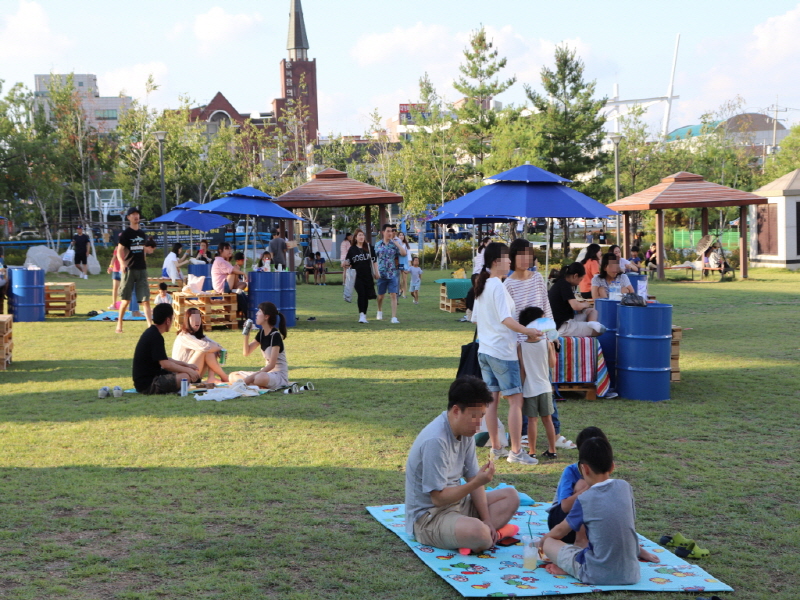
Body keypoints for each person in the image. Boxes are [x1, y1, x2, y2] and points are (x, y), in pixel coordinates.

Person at [404, 376, 520, 552]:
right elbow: (438, 498)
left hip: (458, 505)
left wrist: (487, 519)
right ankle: (477, 535)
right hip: (430, 517)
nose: (479, 425)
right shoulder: (436, 440)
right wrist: (476, 483)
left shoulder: (465, 432)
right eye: (474, 417)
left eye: (481, 416)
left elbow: (473, 476)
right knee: (480, 533)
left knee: (511, 496)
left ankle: (473, 534)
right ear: (456, 411)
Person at [537, 436, 658, 583]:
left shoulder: (585, 498)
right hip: (631, 574)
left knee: (550, 543)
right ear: (612, 466)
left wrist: (542, 541)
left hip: (595, 574)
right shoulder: (625, 487)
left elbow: (560, 531)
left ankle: (569, 568)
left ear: (584, 469)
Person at [471, 242, 543, 465]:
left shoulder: (483, 286)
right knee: (515, 401)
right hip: (502, 352)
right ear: (496, 262)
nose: (510, 261)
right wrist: (528, 330)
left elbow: (476, 319)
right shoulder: (497, 287)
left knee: (492, 402)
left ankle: (496, 448)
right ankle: (515, 452)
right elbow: (506, 319)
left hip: (485, 351)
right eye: (506, 258)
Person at [547, 427, 607, 544]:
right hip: (562, 521)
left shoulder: (603, 469)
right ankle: (581, 540)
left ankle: (630, 544)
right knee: (582, 484)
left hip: (592, 522)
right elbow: (565, 507)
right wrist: (589, 487)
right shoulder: (571, 470)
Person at [131, 303, 200, 394]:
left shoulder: (152, 332)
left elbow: (163, 358)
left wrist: (185, 365)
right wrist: (188, 370)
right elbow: (166, 364)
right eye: (172, 318)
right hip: (148, 384)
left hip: (150, 378)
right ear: (168, 320)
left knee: (184, 374)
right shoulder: (155, 336)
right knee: (185, 377)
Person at [517, 306, 558, 460]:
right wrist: (552, 349)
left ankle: (532, 451)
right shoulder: (546, 343)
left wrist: (521, 389)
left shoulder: (520, 347)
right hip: (545, 387)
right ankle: (552, 449)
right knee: (547, 420)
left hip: (529, 388)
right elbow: (552, 364)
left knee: (532, 421)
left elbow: (523, 370)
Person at [229, 302, 289, 389]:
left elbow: (272, 365)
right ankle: (254, 385)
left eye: (259, 311)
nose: (256, 314)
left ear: (266, 317)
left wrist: (250, 378)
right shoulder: (261, 333)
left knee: (259, 378)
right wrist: (246, 335)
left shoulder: (275, 335)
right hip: (266, 373)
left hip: (278, 375)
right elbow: (246, 353)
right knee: (233, 375)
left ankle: (252, 384)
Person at [116, 207, 155, 334]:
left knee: (145, 299)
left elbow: (143, 250)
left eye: (137, 214)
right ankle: (119, 324)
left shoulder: (142, 234)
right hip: (129, 269)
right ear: (128, 218)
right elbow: (119, 251)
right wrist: (122, 263)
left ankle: (150, 327)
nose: (135, 216)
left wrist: (144, 262)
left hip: (141, 269)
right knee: (126, 300)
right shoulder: (126, 234)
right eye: (133, 214)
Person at [172, 307, 228, 384]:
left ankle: (211, 378)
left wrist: (219, 349)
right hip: (183, 376)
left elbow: (215, 344)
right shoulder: (184, 336)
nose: (197, 321)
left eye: (198, 318)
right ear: (187, 321)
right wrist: (218, 348)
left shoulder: (199, 336)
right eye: (193, 319)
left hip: (195, 373)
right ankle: (224, 377)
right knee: (205, 350)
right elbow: (205, 347)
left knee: (211, 350)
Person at [547, 262, 605, 338]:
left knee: (592, 311)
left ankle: (592, 323)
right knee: (598, 331)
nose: (579, 283)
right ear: (575, 276)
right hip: (562, 325)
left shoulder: (561, 283)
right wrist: (585, 304)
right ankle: (591, 326)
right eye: (580, 280)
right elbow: (576, 306)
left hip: (565, 319)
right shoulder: (565, 285)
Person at [374, 223, 407, 324]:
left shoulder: (394, 245)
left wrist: (397, 243)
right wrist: (375, 272)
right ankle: (379, 310)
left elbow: (403, 253)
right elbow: (374, 259)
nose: (390, 233)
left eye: (391, 231)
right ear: (383, 232)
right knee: (380, 296)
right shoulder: (378, 244)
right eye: (388, 231)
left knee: (393, 294)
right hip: (381, 273)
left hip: (392, 273)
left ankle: (394, 317)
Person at [345, 228, 377, 324]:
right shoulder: (352, 249)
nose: (361, 237)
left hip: (367, 276)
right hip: (356, 276)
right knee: (361, 294)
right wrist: (344, 263)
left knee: (366, 296)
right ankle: (361, 315)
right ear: (355, 237)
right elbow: (348, 261)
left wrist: (376, 272)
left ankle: (364, 315)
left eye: (362, 235)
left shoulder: (369, 247)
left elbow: (374, 261)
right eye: (359, 235)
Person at [397, 231, 411, 299]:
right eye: (400, 235)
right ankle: (400, 289)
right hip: (398, 263)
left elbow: (409, 256)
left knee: (404, 279)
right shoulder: (396, 244)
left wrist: (409, 264)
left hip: (405, 263)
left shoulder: (406, 245)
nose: (401, 236)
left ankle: (404, 294)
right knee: (398, 279)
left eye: (402, 235)